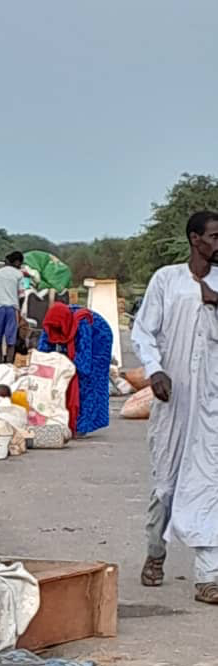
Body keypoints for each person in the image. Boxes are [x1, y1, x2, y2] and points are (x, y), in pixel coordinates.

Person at [132, 210, 218, 604]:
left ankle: (208, 577)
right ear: (195, 239)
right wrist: (155, 370)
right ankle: (156, 552)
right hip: (174, 398)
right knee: (166, 487)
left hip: (212, 401)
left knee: (208, 483)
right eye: (214, 236)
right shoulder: (167, 279)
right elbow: (144, 331)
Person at [38, 302, 113, 435]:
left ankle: (82, 425)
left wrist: (69, 369)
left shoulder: (82, 323)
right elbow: (43, 352)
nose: (55, 330)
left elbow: (84, 359)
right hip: (74, 332)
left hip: (99, 338)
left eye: (58, 328)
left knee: (90, 381)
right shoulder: (51, 324)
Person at [0, 251, 24, 364]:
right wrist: (19, 310)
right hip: (12, 309)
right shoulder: (19, 274)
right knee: (11, 339)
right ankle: (9, 363)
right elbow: (22, 295)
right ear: (16, 262)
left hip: (0, 308)